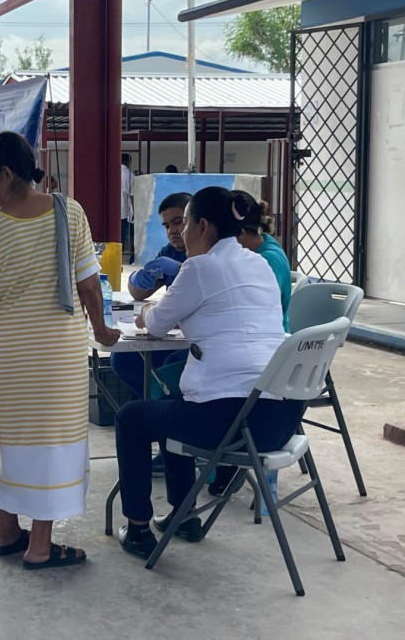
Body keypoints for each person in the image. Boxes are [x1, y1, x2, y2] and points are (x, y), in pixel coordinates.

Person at [114, 186, 300, 559]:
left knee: (131, 417)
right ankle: (185, 517)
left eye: (182, 226)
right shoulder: (257, 262)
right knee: (176, 403)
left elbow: (155, 323)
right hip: (280, 419)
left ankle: (137, 528)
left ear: (201, 225)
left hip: (231, 422)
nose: (178, 235)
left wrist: (147, 315)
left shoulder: (199, 267)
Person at [0, 131, 120, 569]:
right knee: (53, 442)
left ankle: (5, 530)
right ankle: (39, 546)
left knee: (10, 439)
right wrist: (101, 328)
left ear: (8, 173)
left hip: (9, 353)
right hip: (56, 353)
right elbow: (90, 284)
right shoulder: (68, 212)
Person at [113, 192, 193, 396]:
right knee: (124, 359)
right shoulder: (171, 252)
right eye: (166, 226)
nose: (172, 231)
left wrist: (183, 268)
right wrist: (138, 279)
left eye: (178, 222)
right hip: (175, 334)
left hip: (200, 343)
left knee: (172, 364)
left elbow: (156, 323)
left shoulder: (209, 257)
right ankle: (153, 402)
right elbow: (139, 293)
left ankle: (160, 405)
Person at [232, 190, 292, 332]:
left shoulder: (268, 260)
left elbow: (259, 311)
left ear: (241, 234)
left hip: (269, 341)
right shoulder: (263, 243)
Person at [121, 153, 135, 263]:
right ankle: (122, 257)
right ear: (129, 162)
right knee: (122, 234)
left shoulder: (112, 172)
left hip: (110, 210)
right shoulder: (129, 175)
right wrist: (134, 210)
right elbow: (132, 195)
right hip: (124, 209)